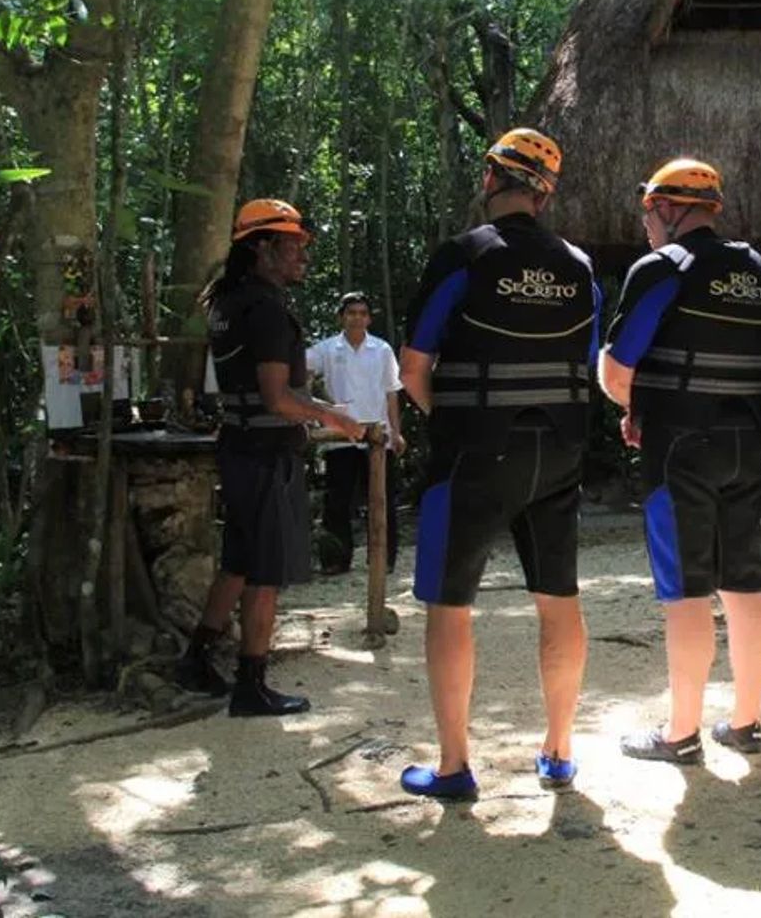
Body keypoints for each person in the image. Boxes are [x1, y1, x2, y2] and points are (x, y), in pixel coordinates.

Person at [397, 129, 597, 800]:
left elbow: (413, 365)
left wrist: (449, 419)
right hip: (560, 450)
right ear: (545, 192)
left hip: (476, 446)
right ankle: (559, 750)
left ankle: (454, 765)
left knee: (450, 604)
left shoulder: (462, 255)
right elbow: (587, 360)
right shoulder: (578, 266)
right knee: (558, 597)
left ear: (491, 178)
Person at [600, 159, 761, 764]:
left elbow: (618, 369)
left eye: (649, 212)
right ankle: (747, 724)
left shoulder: (661, 269)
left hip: (681, 450)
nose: (646, 225)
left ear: (669, 209)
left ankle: (680, 735)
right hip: (747, 446)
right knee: (745, 587)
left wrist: (638, 406)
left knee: (685, 594)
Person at [174, 199, 366, 716]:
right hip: (264, 453)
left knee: (237, 560)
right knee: (264, 570)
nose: (302, 255)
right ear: (262, 249)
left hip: (239, 445)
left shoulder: (228, 303)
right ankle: (250, 683)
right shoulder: (265, 309)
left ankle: (196, 657)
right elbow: (279, 397)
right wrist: (338, 418)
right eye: (293, 245)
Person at [305, 292, 404, 574]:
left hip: (378, 433)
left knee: (382, 500)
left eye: (362, 313)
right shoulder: (327, 349)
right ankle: (337, 559)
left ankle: (383, 559)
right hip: (341, 436)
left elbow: (392, 393)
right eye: (351, 313)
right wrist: (317, 409)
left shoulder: (382, 349)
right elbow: (301, 373)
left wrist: (396, 433)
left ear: (369, 318)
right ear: (341, 317)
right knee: (338, 501)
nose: (357, 318)